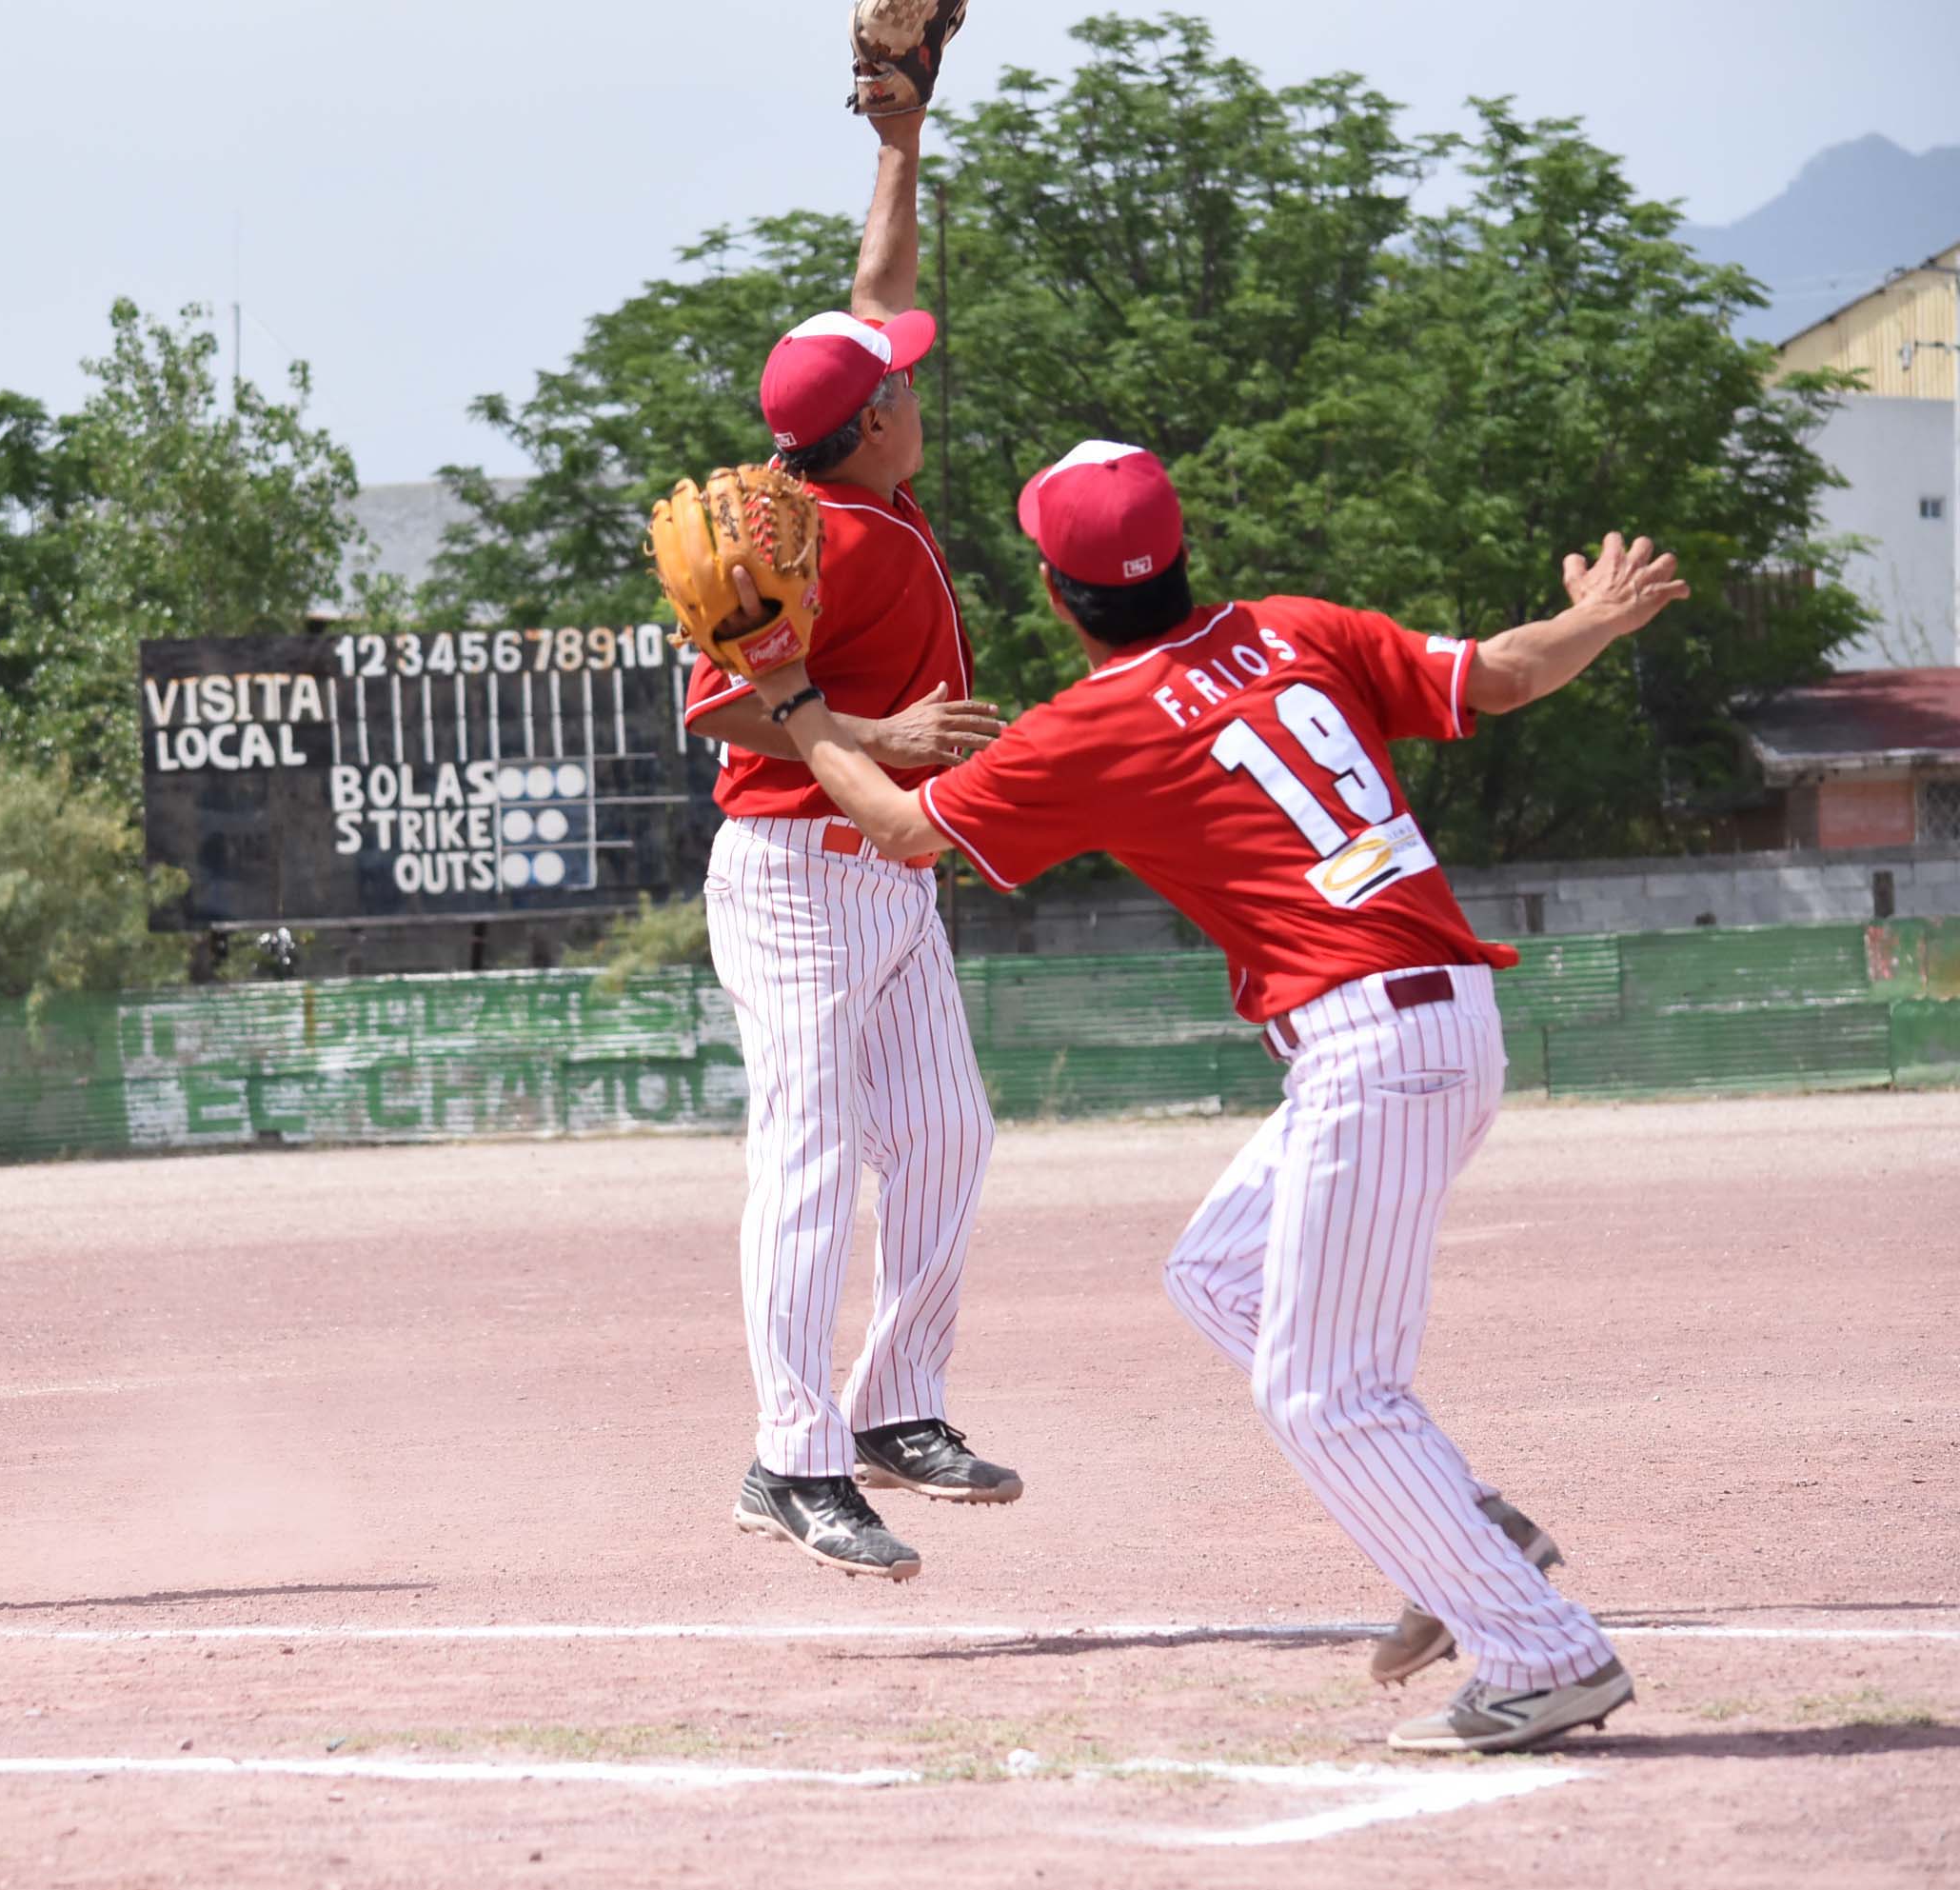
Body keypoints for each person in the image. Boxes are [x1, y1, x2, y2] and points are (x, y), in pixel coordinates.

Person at [742, 440, 1688, 1752]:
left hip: (1376, 1049)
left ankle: (1542, 1651)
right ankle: (1462, 1523)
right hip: (1431, 1017)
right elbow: (1506, 672)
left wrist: (791, 697)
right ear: (1181, 557)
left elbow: (901, 832)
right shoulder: (1298, 630)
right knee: (1219, 1276)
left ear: (1059, 597)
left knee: (1322, 1394)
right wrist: (1590, 617)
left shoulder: (1095, 725)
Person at [685, 102, 1021, 1585]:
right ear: (870, 423)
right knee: (811, 1168)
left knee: (948, 1136)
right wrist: (876, 742)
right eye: (902, 384)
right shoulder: (799, 534)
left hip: (890, 879)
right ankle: (791, 1456)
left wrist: (902, 138)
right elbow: (717, 705)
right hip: (792, 879)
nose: (914, 382)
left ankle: (892, 1407)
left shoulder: (866, 483)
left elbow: (874, 296)